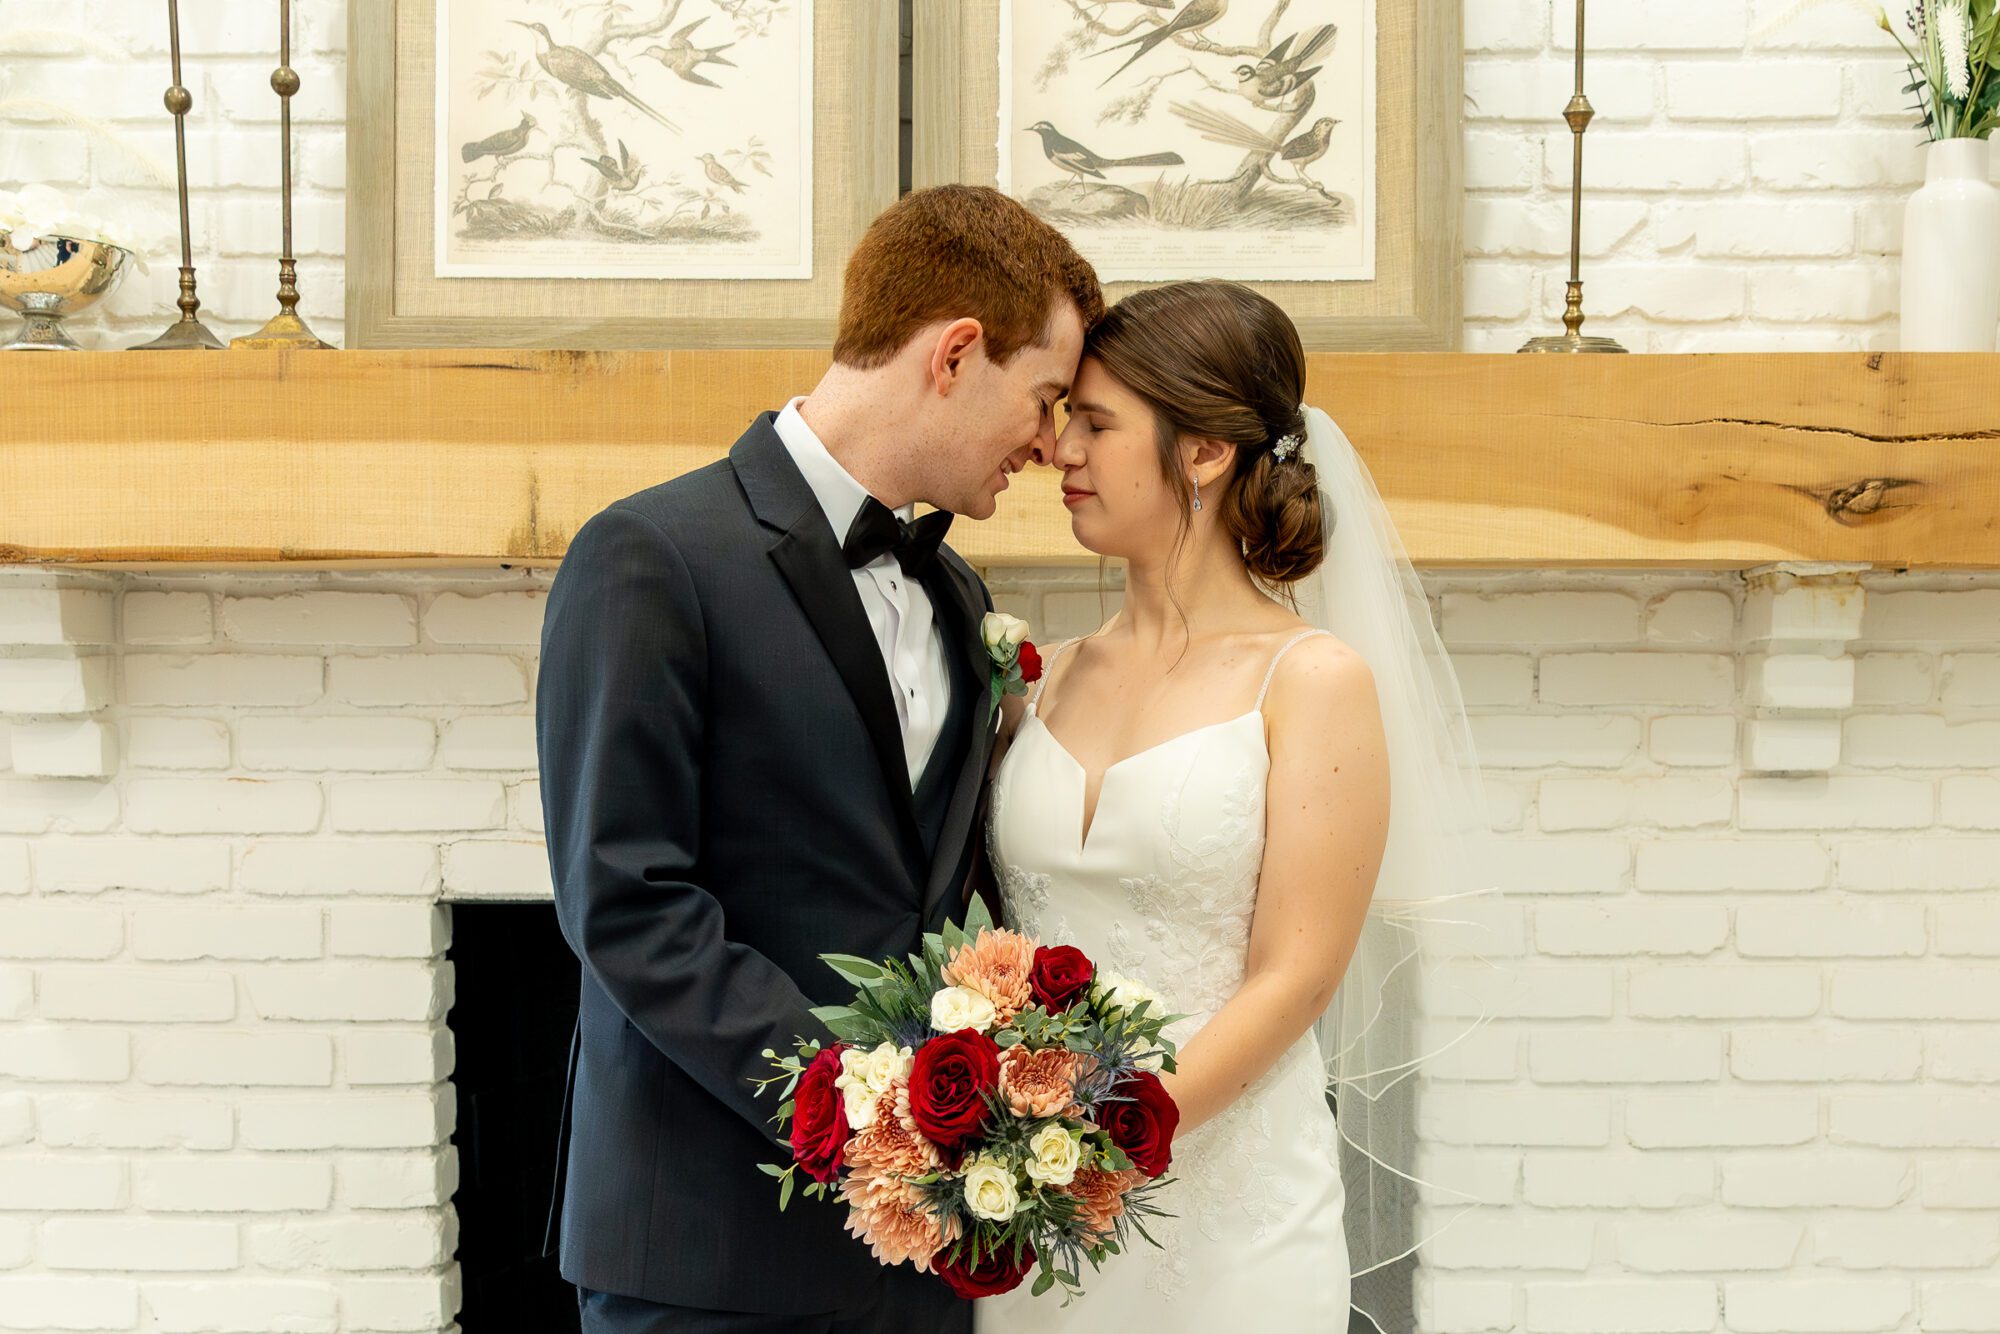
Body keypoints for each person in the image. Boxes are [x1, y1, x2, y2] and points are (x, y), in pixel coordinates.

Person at [536, 183, 1103, 1334]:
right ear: (954, 353)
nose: (1049, 444)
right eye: (1043, 397)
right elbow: (626, 902)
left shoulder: (958, 594)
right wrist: (860, 1111)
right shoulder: (648, 555)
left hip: (921, 1250)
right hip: (702, 1250)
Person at [976, 280, 1496, 1333]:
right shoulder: (1043, 674)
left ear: (1203, 449)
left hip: (1223, 1216)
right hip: (1035, 1213)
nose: (1059, 451)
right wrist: (1016, 1154)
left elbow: (1296, 977)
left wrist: (1094, 1144)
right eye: (1063, 417)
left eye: (1095, 423)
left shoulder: (1309, 680)